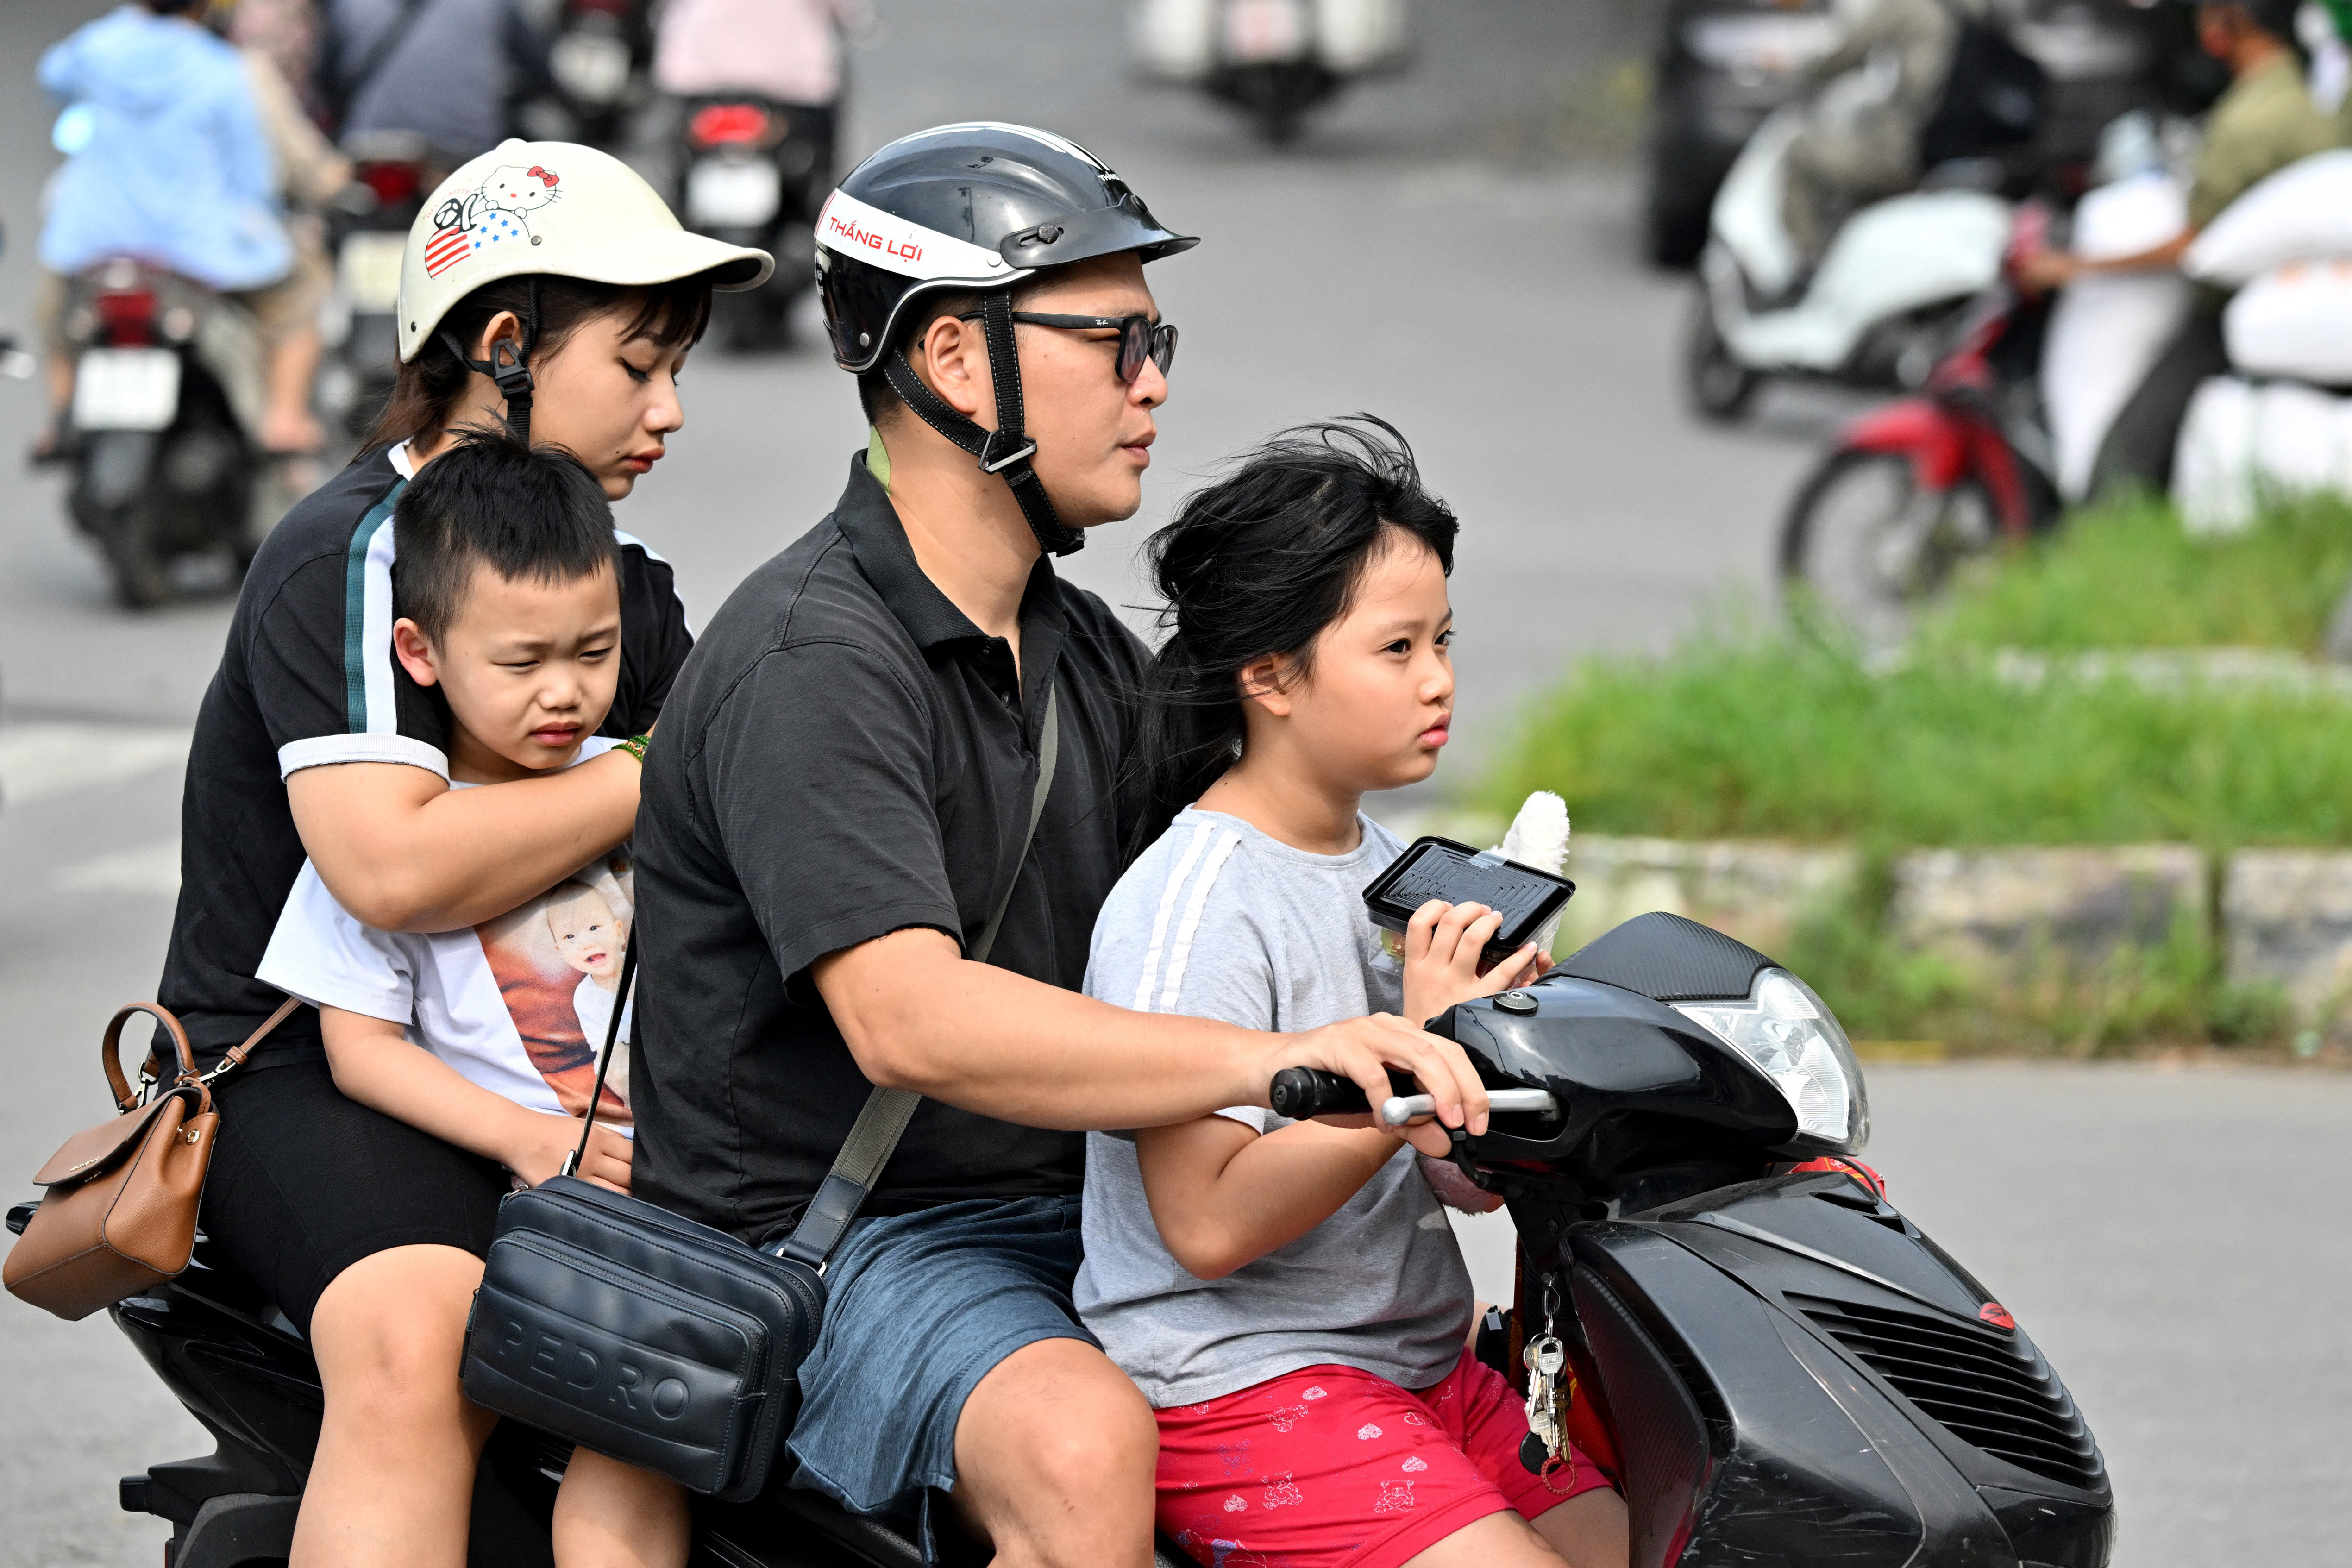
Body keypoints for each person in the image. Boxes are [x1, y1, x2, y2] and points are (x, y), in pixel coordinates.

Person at [628, 123, 1496, 1568]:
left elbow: (1247, 851)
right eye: (1114, 340)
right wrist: (1271, 1064)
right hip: (847, 1243)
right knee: (1082, 1442)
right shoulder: (815, 658)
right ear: (959, 359)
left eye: (1160, 340)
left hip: (1081, 1206)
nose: (1154, 383)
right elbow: (908, 1018)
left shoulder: (1078, 648)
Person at [161, 138, 766, 1568]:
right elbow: (392, 870)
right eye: (637, 364)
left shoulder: (618, 580)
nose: (669, 410)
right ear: (504, 346)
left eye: (678, 366)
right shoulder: (356, 552)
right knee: (421, 1336)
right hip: (310, 1054)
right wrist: (652, 765)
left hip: (562, 1048)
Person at [1072, 419, 1628, 1568]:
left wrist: (1491, 1044)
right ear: (1269, 674)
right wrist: (1414, 1049)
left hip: (1416, 1365)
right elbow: (1205, 1222)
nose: (1439, 680)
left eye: (1443, 640)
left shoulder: (1382, 861)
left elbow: (1450, 1183)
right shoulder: (1197, 903)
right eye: (1396, 649)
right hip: (1245, 1386)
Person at [255, 432, 688, 1568]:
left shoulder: (630, 781)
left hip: (677, 1204)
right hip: (545, 1204)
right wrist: (526, 1136)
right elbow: (357, 1046)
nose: (563, 690)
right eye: (522, 660)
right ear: (422, 650)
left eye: (593, 651)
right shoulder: (406, 832)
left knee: (650, 1454)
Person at [2022, 0, 2342, 493]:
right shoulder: (2311, 101)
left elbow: (2199, 246)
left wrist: (2075, 267)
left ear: (2230, 23)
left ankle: (2108, 523)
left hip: (2221, 312)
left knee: (2124, 458)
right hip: (2301, 287)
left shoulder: (2247, 120)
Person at [33, 0, 324, 455]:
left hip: (95, 243)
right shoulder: (224, 70)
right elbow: (256, 177)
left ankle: (62, 412)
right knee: (298, 299)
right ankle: (284, 417)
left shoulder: (98, 48)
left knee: (58, 313)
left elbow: (53, 78)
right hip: (201, 253)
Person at [1780, 0, 1974, 262]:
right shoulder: (1977, 11)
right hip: (1967, 155)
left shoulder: (1910, 6)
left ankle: (1809, 267)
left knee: (1801, 152)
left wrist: (1794, 71)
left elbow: (1849, 53)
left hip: (1911, 153)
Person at [317, 0, 549, 166]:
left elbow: (327, 77)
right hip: (465, 151)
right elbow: (537, 67)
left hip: (365, 147)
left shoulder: (344, 5)